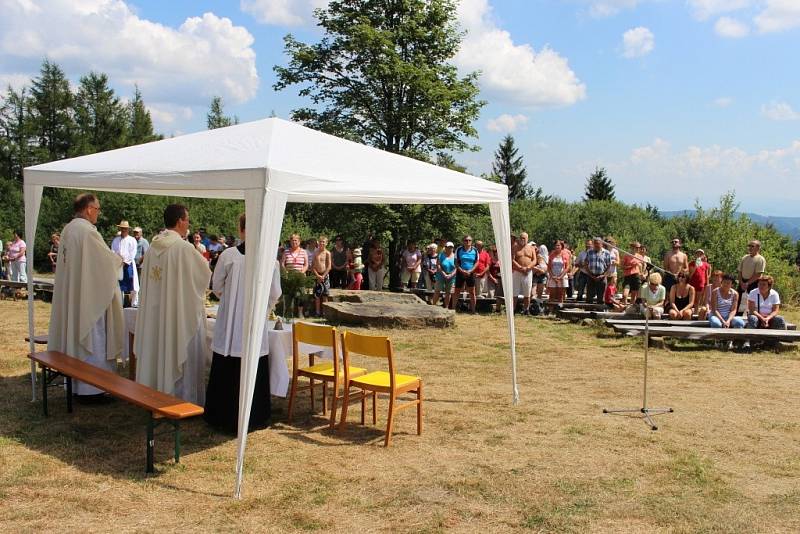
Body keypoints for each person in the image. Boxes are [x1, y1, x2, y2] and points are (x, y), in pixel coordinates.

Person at [205, 213, 282, 433]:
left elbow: (217, 285)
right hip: (254, 323)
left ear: (241, 230)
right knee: (252, 363)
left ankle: (222, 415)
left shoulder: (229, 256)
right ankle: (255, 415)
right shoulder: (270, 260)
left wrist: (232, 302)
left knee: (227, 368)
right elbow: (275, 293)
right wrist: (262, 308)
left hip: (230, 324)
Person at [48, 193, 124, 397]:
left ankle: (79, 386)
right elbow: (103, 263)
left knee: (78, 334)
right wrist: (117, 260)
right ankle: (94, 389)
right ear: (89, 209)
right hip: (89, 298)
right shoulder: (87, 232)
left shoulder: (68, 229)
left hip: (75, 293)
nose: (98, 213)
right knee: (94, 337)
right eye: (97, 209)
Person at [135, 204, 212, 404]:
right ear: (180, 221)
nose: (188, 224)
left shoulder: (153, 247)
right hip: (177, 315)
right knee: (179, 350)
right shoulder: (183, 248)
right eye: (187, 220)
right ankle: (183, 400)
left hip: (156, 314)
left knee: (159, 349)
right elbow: (204, 274)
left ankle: (157, 392)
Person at [111, 220, 139, 307]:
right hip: (118, 264)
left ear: (128, 230)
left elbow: (133, 253)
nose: (123, 230)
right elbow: (113, 251)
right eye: (122, 228)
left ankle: (134, 302)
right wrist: (118, 259)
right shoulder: (116, 240)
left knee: (132, 283)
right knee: (120, 284)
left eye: (125, 229)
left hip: (128, 264)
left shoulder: (132, 240)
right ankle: (120, 303)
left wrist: (125, 261)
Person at [511, 233, 536, 313]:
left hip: (527, 272)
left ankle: (526, 309)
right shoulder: (515, 247)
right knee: (515, 292)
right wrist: (520, 268)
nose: (522, 239)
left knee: (527, 292)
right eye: (521, 238)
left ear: (527, 239)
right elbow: (512, 259)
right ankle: (513, 310)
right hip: (517, 272)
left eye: (524, 238)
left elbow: (534, 260)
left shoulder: (531, 248)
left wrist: (528, 268)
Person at [583, 238, 613, 304]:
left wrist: (604, 275)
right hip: (591, 276)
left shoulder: (607, 253)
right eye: (595, 243)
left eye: (598, 243)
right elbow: (585, 264)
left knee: (601, 297)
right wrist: (590, 274)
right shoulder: (589, 252)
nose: (596, 245)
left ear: (602, 244)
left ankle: (600, 311)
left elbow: (609, 266)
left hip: (602, 276)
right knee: (589, 296)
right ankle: (589, 311)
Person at [455, 235, 479, 312]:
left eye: (469, 240)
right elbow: (455, 262)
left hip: (470, 273)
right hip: (460, 272)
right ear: (463, 241)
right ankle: (453, 309)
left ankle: (473, 310)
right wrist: (462, 270)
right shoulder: (458, 249)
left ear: (471, 241)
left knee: (472, 292)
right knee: (457, 291)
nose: (467, 242)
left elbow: (477, 262)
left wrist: (470, 271)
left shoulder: (475, 250)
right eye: (466, 240)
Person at [312, 235, 332, 317]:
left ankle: (325, 312)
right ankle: (317, 312)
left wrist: (323, 276)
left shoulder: (327, 253)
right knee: (317, 295)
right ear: (318, 242)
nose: (322, 243)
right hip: (317, 275)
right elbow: (312, 266)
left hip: (325, 275)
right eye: (320, 242)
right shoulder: (315, 252)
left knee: (325, 294)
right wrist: (317, 276)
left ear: (326, 243)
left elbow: (329, 266)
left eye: (323, 242)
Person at [432, 241, 456, 308]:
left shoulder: (455, 256)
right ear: (445, 247)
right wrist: (444, 274)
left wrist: (451, 275)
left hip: (452, 277)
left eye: (451, 247)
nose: (449, 248)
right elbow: (438, 265)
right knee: (437, 291)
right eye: (448, 247)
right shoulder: (441, 254)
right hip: (440, 275)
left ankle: (446, 308)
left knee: (448, 293)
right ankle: (433, 306)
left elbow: (457, 267)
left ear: (453, 248)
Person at [621, 241, 644, 306]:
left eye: (639, 247)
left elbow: (642, 266)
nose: (638, 249)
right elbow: (622, 266)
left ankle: (631, 309)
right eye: (636, 247)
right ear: (632, 247)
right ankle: (624, 306)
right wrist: (631, 266)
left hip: (636, 276)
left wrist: (642, 273)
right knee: (625, 295)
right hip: (628, 276)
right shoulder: (626, 255)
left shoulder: (640, 256)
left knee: (634, 295)